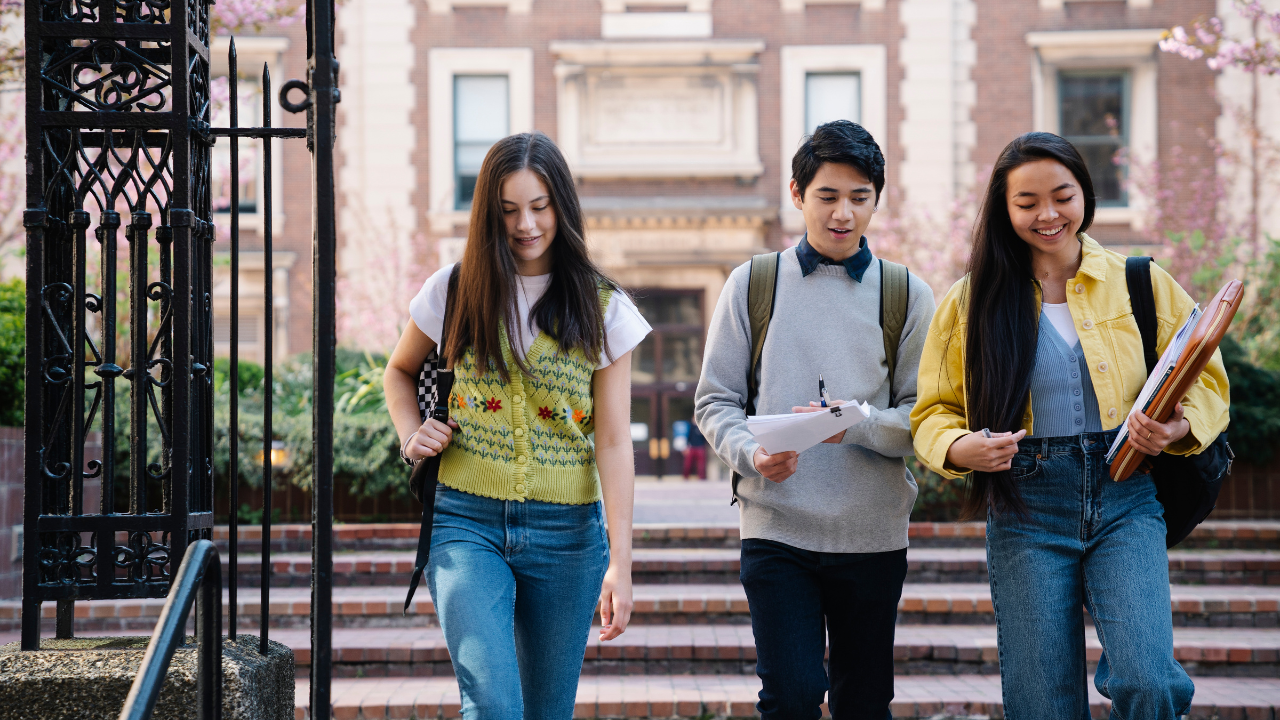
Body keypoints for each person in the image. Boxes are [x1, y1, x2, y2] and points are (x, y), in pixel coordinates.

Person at [910, 132, 1230, 719]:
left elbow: (1208, 380)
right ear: (1004, 211)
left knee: (1150, 680)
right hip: (1025, 506)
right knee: (1042, 705)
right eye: (1026, 202)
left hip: (1127, 495)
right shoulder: (971, 301)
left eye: (1062, 195)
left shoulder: (1140, 279)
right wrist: (960, 448)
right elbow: (933, 411)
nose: (1047, 214)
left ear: (1086, 194)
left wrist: (1179, 429)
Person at [383, 132, 652, 720]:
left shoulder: (604, 308)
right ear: (487, 214)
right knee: (494, 706)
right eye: (507, 210)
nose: (525, 225)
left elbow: (612, 441)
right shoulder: (453, 290)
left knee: (544, 712)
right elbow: (399, 373)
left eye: (539, 206)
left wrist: (622, 561)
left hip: (569, 537)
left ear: (562, 206)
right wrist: (411, 433)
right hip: (465, 521)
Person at [695, 119, 936, 720]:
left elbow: (924, 419)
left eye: (860, 198)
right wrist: (752, 453)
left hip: (873, 533)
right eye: (827, 196)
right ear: (799, 196)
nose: (843, 214)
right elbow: (715, 400)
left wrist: (850, 424)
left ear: (877, 199)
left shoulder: (905, 294)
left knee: (863, 703)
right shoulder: (753, 283)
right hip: (777, 528)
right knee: (792, 694)